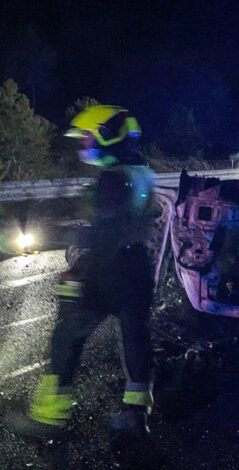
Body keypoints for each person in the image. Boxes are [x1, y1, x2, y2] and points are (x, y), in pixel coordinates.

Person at [7, 106, 157, 440]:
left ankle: (49, 416)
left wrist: (78, 273)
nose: (83, 145)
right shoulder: (140, 171)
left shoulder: (113, 178)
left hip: (108, 270)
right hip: (136, 268)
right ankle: (137, 415)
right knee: (135, 340)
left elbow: (108, 231)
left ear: (108, 134)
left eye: (88, 137)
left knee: (66, 338)